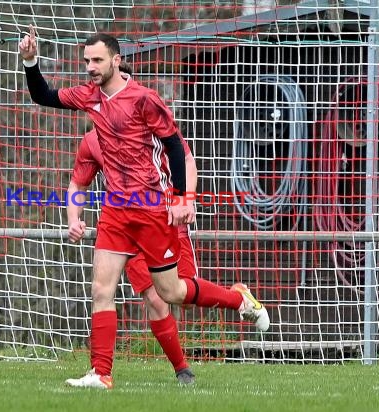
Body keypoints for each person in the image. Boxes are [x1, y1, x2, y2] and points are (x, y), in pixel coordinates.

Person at [19, 26, 270, 389]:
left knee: (172, 293)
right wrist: (31, 62)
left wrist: (183, 198)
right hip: (116, 212)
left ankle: (238, 301)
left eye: (97, 60)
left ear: (116, 61)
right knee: (101, 290)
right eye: (87, 61)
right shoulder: (89, 97)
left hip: (152, 210)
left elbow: (174, 147)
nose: (90, 67)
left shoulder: (144, 98)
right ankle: (101, 374)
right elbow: (44, 95)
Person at [68, 111, 198, 384]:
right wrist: (73, 218)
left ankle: (237, 297)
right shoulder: (92, 140)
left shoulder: (152, 123)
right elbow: (79, 182)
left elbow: (185, 158)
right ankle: (180, 369)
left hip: (164, 222)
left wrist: (185, 198)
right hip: (126, 229)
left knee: (179, 294)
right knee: (151, 298)